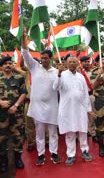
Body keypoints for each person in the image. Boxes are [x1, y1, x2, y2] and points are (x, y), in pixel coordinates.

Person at [21, 29, 61, 166]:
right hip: (37, 107)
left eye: (46, 58)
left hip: (53, 107)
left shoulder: (56, 72)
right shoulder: (34, 67)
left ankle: (54, 153)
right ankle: (41, 154)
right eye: (42, 58)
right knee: (39, 133)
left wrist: (60, 75)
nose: (43, 60)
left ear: (50, 58)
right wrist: (24, 39)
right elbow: (25, 53)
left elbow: (57, 88)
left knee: (53, 133)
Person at [53, 56, 96, 165]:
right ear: (67, 64)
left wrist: (89, 109)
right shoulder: (61, 75)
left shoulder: (81, 76)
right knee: (70, 132)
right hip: (67, 109)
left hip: (80, 108)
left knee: (83, 131)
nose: (72, 64)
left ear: (77, 64)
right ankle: (71, 155)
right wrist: (58, 75)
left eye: (74, 62)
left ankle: (85, 151)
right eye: (70, 62)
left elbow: (85, 94)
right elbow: (55, 88)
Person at [0, 56, 27, 172]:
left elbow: (24, 93)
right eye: (5, 63)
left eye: (10, 63)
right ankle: (3, 161)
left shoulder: (19, 78)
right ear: (1, 66)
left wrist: (15, 106)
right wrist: (0, 102)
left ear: (12, 65)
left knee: (18, 136)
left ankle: (18, 159)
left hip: (17, 114)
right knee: (1, 138)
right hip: (1, 115)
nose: (7, 65)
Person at [79, 55, 97, 142]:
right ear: (81, 63)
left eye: (87, 61)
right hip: (81, 97)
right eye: (84, 62)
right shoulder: (78, 73)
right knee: (82, 115)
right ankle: (84, 132)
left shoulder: (93, 72)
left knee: (92, 115)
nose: (86, 63)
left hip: (90, 95)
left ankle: (93, 133)